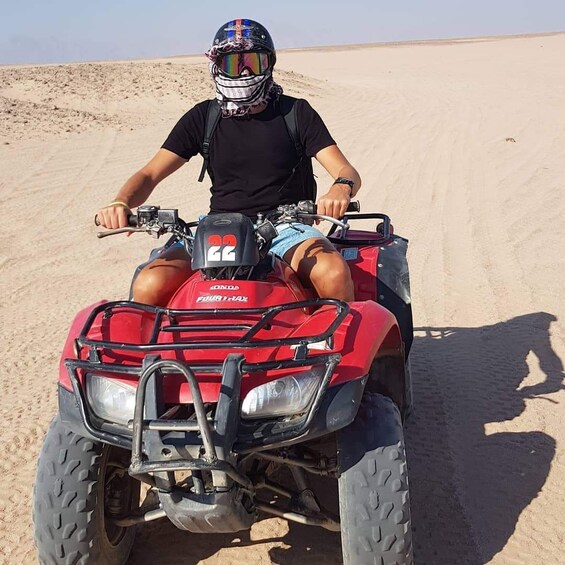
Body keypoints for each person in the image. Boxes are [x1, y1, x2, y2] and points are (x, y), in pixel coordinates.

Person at [96, 18, 361, 306]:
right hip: (218, 230)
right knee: (149, 283)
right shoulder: (203, 117)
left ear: (269, 65)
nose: (245, 72)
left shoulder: (295, 113)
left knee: (332, 273)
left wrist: (341, 188)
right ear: (217, 66)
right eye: (234, 64)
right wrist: (121, 202)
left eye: (253, 62)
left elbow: (345, 170)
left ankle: (335, 348)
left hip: (287, 228)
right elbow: (149, 174)